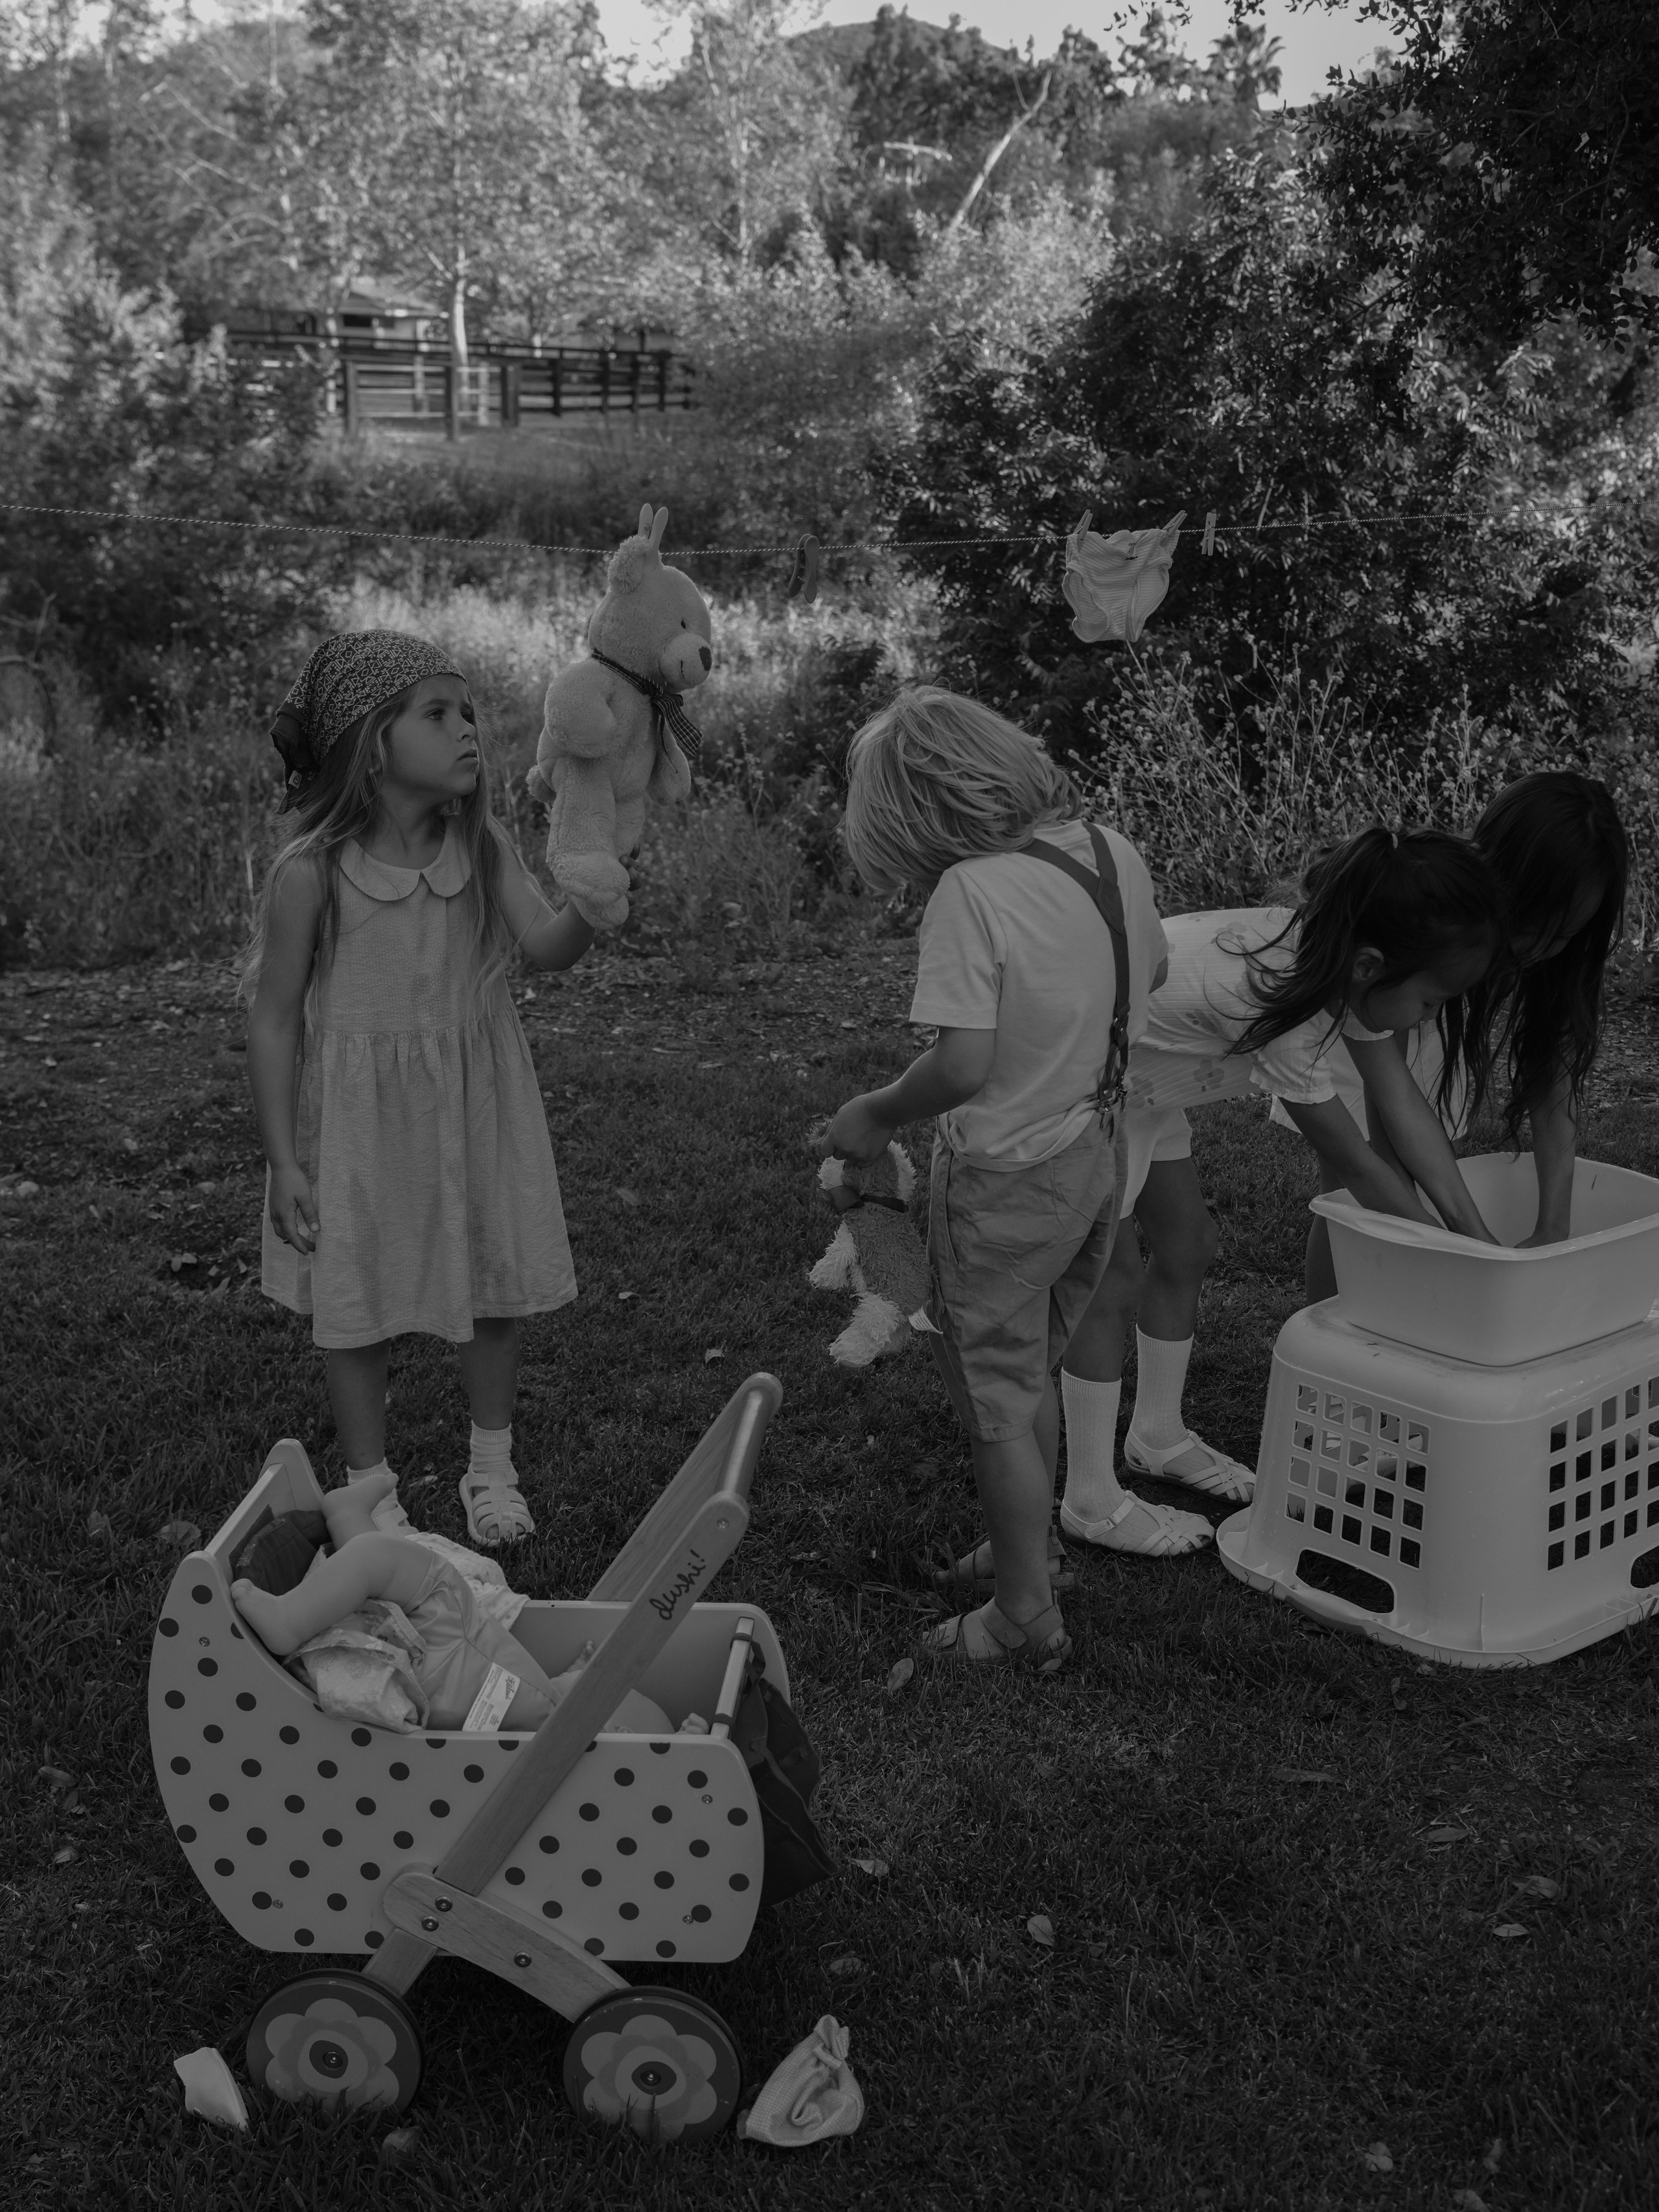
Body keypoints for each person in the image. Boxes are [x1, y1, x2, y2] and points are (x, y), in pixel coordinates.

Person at [825, 687, 1169, 1674]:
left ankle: (1024, 1611)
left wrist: (880, 1112)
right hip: (1093, 1156)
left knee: (997, 1398)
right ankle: (1039, 1545)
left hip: (1006, 1178)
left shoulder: (970, 893)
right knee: (1031, 1367)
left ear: (911, 817)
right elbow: (1145, 980)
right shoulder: (1110, 851)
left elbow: (963, 1065)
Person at [1058, 828, 1506, 1550]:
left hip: (1142, 1087)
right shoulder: (1282, 1001)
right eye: (1433, 999)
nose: (1431, 1017)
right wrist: (1448, 1247)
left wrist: (1472, 1231)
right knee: (1106, 1279)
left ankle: (1157, 1433)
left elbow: (1402, 1105)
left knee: (1187, 1242)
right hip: (1082, 1087)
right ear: (1373, 965)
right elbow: (1356, 1162)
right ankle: (1088, 1494)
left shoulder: (1339, 958)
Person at [244, 631, 594, 1549]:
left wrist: (595, 899)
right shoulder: (311, 873)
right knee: (352, 1295)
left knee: (486, 1281)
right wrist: (284, 1159)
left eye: (468, 712)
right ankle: (371, 1492)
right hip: (358, 1121)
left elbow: (548, 950)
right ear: (372, 739)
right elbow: (276, 1016)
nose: (467, 730)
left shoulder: (482, 849)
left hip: (473, 1103)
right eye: (438, 714)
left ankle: (492, 1469)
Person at [1279, 772, 1631, 1294]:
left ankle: (1408, 1337)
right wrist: (1462, 1239)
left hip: (1422, 1021)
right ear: (1503, 877)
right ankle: (1330, 1347)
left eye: (1566, 934)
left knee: (1424, 1196)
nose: (1544, 949)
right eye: (1536, 926)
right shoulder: (1424, 919)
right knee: (1356, 1205)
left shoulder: (1552, 953)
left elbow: (1553, 1080)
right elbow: (1384, 1112)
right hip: (1360, 1025)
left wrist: (1552, 1227)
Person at [231, 1470, 669, 1734]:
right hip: (474, 1660)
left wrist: (574, 1692)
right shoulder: (548, 1706)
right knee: (391, 1581)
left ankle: (289, 1619)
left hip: (459, 1667)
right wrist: (575, 1676)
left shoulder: (557, 1734)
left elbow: (594, 1737)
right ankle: (348, 1517)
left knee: (390, 1566)